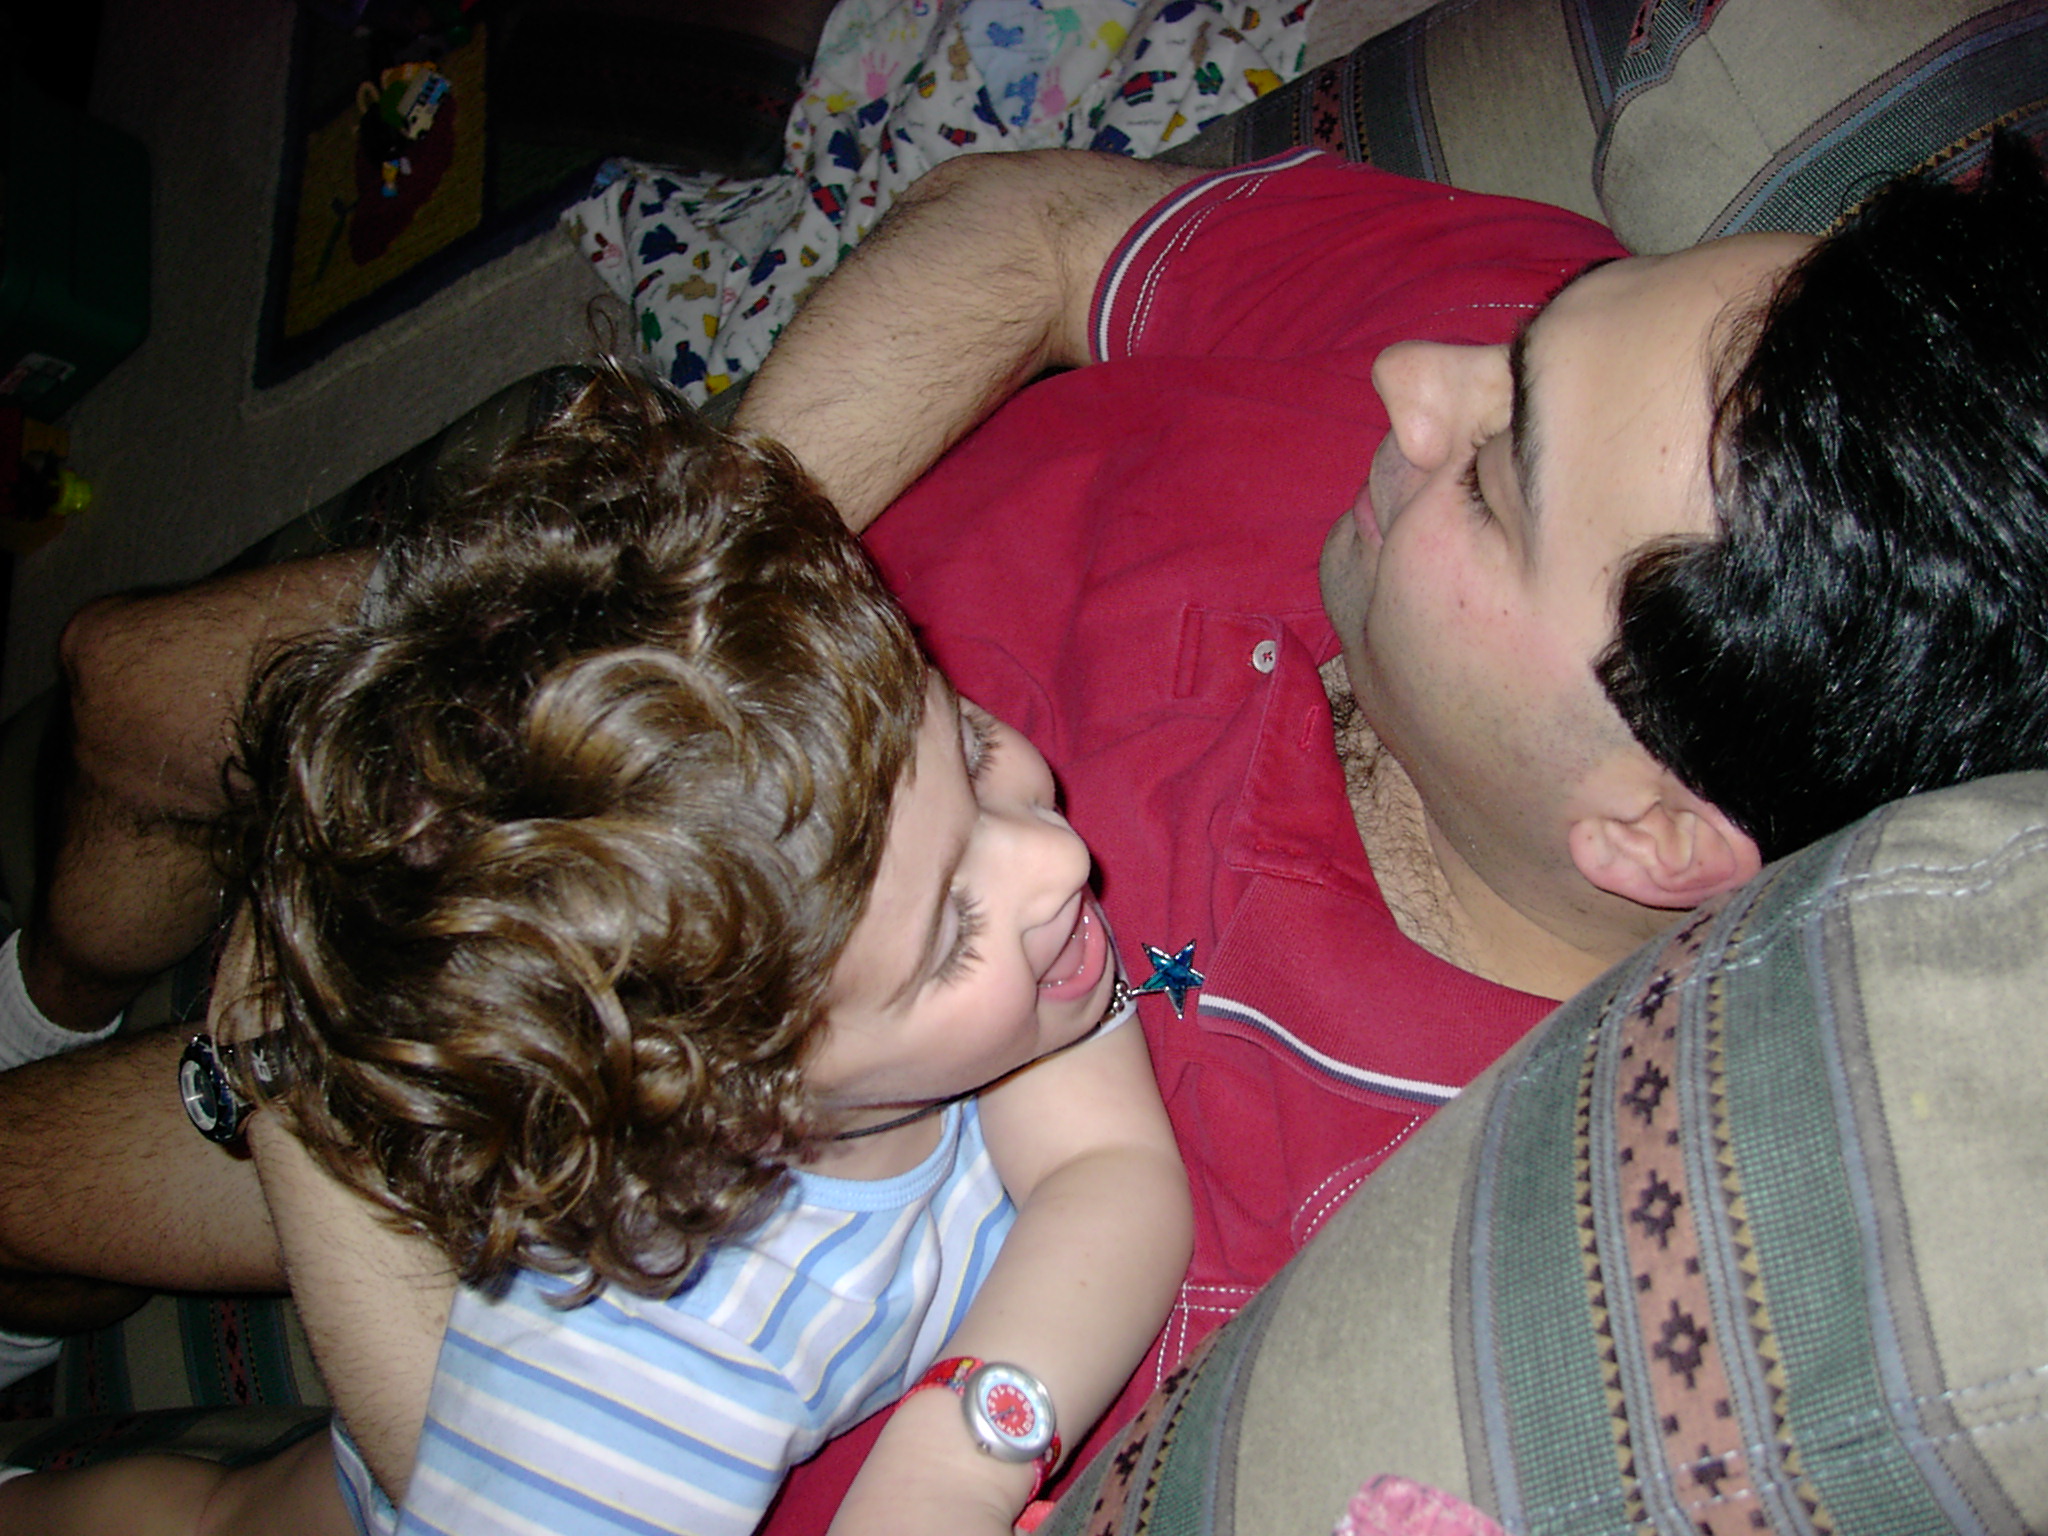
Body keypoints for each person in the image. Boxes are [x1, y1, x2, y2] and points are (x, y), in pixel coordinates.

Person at [2, 130, 2045, 1523]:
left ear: (1649, 833)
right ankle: (51, 976)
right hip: (645, 681)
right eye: (1528, 340)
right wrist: (685, 610)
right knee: (127, 684)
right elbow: (1031, 228)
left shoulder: (1401, 1198)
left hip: (597, 1111)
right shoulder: (1619, 372)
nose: (1413, 380)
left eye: (1492, 480)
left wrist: (300, 1083)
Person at [0, 363, 1190, 1536]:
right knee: (225, 1516)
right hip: (470, 1472)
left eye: (970, 748)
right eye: (950, 931)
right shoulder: (647, 1393)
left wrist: (956, 1456)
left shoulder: (960, 955)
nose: (1055, 859)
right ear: (741, 1113)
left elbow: (1106, 1171)